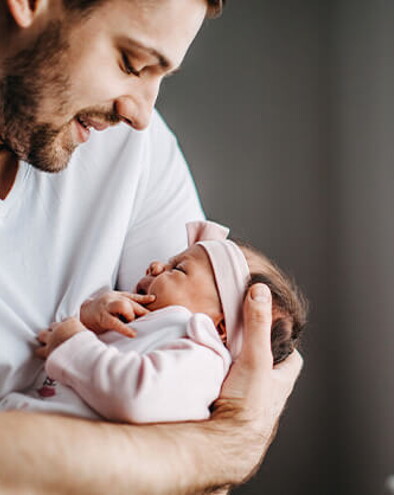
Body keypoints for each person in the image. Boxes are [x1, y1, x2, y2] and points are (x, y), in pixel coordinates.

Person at [0, 0, 303, 493]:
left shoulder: (133, 150)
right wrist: (226, 445)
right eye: (131, 63)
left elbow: (192, 464)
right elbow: (212, 440)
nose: (141, 113)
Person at [1, 220, 308, 423]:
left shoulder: (203, 358)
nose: (156, 265)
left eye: (179, 269)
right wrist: (89, 319)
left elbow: (136, 395)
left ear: (220, 327)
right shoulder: (157, 328)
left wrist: (73, 343)